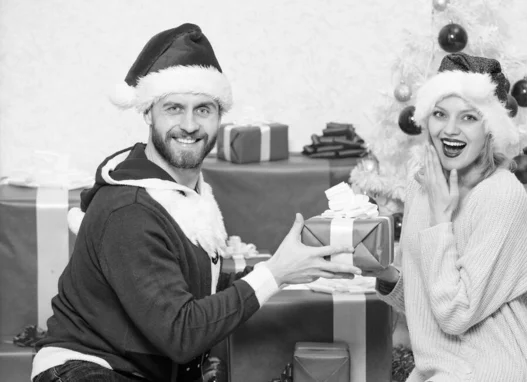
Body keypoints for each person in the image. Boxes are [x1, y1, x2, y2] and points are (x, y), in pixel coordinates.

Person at [31, 23, 361, 382]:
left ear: (220, 118)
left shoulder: (189, 198)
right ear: (147, 113)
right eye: (174, 108)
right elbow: (182, 333)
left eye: (203, 109)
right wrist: (276, 272)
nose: (189, 125)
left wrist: (293, 269)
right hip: (84, 370)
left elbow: (196, 298)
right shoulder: (131, 208)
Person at [375, 53, 527, 381]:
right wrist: (384, 275)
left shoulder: (501, 194)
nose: (450, 130)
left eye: (469, 117)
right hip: (444, 365)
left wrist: (441, 220)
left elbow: (455, 314)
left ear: (490, 128)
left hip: (499, 367)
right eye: (440, 114)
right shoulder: (423, 184)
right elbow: (427, 299)